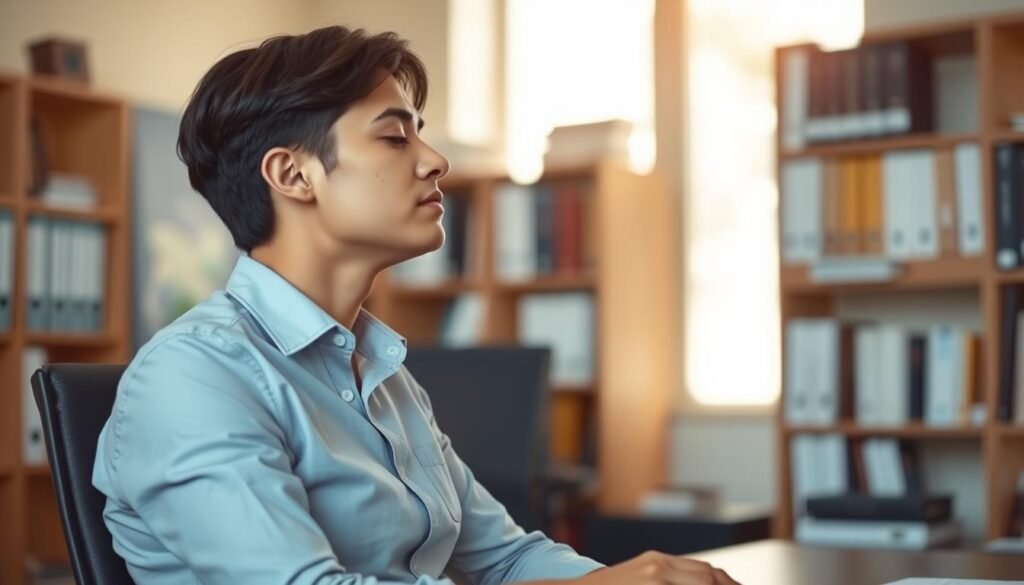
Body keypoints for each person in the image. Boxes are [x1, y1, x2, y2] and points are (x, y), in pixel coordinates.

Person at [92, 25, 740, 585]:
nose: (435, 161)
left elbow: (503, 558)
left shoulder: (382, 370)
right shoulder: (191, 376)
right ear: (293, 175)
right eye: (396, 138)